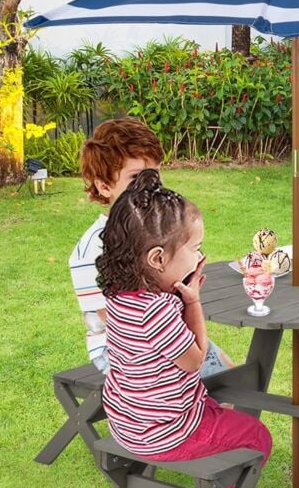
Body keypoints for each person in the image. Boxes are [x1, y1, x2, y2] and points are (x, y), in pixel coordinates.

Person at [96, 169, 272, 488]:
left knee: (218, 405)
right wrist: (192, 302)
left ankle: (211, 483)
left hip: (127, 423)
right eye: (194, 248)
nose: (200, 255)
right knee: (257, 436)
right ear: (158, 259)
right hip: (164, 433)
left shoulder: (119, 297)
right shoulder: (158, 310)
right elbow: (195, 359)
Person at [69, 118, 232, 376]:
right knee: (221, 388)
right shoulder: (92, 249)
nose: (151, 185)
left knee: (235, 378)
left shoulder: (162, 225)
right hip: (126, 352)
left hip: (171, 334)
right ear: (104, 185)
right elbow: (114, 317)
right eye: (135, 177)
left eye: (155, 174)